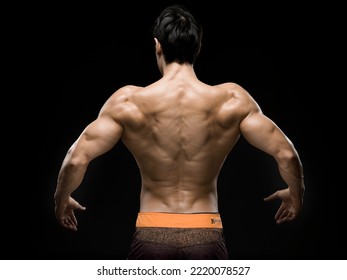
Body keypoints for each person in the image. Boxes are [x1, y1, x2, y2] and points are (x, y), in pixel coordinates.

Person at [54, 4, 305, 260]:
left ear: (157, 45)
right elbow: (287, 155)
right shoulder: (232, 99)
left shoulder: (128, 102)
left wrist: (61, 199)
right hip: (206, 236)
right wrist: (296, 194)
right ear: (197, 46)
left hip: (152, 235)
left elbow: (76, 158)